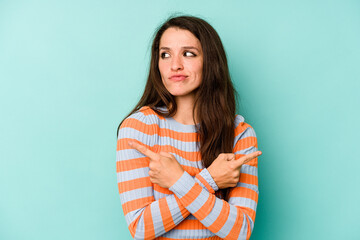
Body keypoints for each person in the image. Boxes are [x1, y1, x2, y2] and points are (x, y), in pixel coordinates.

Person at [116, 15, 262, 240]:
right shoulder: (138, 128)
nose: (175, 65)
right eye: (165, 54)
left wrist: (177, 180)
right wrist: (210, 179)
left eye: (188, 53)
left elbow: (240, 231)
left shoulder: (240, 134)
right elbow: (141, 227)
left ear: (210, 61)